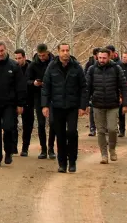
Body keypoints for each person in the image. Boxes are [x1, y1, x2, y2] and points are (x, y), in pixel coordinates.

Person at [41, 42, 86, 173]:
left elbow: (84, 87)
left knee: (72, 132)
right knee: (60, 135)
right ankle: (62, 163)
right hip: (57, 106)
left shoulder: (76, 67)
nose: (65, 53)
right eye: (63, 50)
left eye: (67, 50)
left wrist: (83, 106)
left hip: (72, 106)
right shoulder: (52, 67)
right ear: (58, 52)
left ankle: (72, 161)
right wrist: (45, 105)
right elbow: (46, 87)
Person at [85, 48, 127, 163]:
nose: (102, 60)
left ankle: (112, 149)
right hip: (97, 104)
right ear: (97, 57)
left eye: (104, 58)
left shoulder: (116, 68)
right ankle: (104, 155)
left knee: (112, 129)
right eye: (100, 58)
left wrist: (125, 104)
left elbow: (124, 87)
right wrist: (84, 104)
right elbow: (87, 88)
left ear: (109, 57)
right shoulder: (92, 69)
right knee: (100, 131)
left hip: (112, 104)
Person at [26, 44, 54, 159]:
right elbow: (27, 80)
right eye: (40, 55)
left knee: (53, 123)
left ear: (48, 53)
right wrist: (34, 83)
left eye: (44, 55)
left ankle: (51, 148)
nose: (42, 57)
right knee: (41, 124)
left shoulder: (54, 63)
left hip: (53, 96)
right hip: (38, 96)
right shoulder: (33, 65)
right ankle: (43, 149)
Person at [86, 47, 101, 136]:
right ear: (95, 55)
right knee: (92, 110)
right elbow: (85, 76)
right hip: (93, 91)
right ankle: (92, 128)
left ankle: (103, 128)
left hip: (104, 91)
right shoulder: (90, 64)